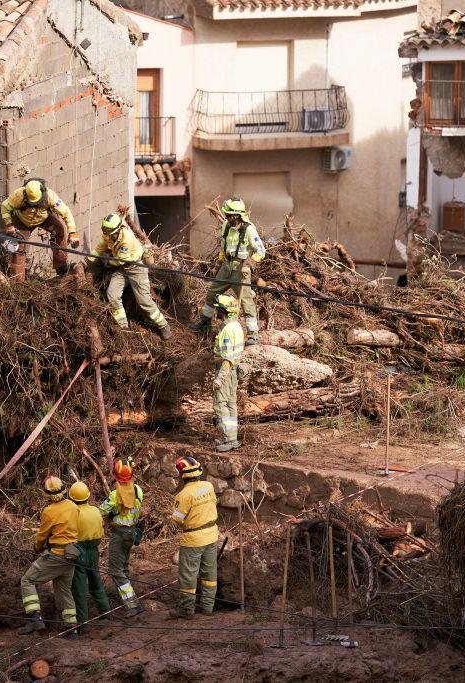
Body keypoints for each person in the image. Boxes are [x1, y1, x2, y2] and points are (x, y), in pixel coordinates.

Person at [191, 197, 265, 345]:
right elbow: (223, 249)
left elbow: (261, 251)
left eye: (229, 214)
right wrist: (218, 265)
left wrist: (249, 263)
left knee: (246, 302)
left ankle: (253, 336)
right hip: (226, 266)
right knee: (212, 293)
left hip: (241, 269)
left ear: (236, 215)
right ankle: (205, 323)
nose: (226, 217)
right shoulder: (226, 226)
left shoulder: (249, 229)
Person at [87, 213, 171, 340]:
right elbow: (99, 250)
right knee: (112, 294)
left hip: (136, 268)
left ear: (118, 229)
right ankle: (123, 327)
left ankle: (164, 326)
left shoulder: (127, 239)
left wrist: (106, 261)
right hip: (123, 269)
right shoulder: (108, 235)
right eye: (106, 233)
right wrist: (87, 261)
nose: (109, 236)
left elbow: (120, 261)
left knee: (144, 302)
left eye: (111, 233)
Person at [17, 476, 81, 636]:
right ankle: (71, 628)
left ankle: (34, 619)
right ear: (64, 490)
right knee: (64, 590)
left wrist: (37, 548)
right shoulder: (73, 506)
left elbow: (42, 536)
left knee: (27, 580)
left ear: (46, 494)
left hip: (56, 556)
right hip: (72, 555)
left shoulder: (49, 511)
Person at [169, 456, 219, 620]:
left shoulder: (183, 495)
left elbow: (177, 519)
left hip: (193, 540)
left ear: (182, 475)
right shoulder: (209, 486)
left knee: (189, 576)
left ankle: (186, 610)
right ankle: (207, 607)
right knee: (209, 574)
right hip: (211, 535)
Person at [1, 178, 80, 280]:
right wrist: (9, 224)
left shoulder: (50, 196)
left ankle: (61, 267)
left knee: (59, 230)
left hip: (44, 218)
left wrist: (72, 231)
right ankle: (18, 280)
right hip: (23, 221)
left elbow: (66, 212)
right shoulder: (18, 195)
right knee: (19, 246)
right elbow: (4, 207)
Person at [99, 456, 144, 617]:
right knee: (123, 567)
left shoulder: (114, 495)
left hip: (119, 535)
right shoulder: (138, 490)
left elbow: (101, 512)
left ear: (116, 477)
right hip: (132, 533)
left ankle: (131, 605)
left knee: (115, 570)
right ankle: (132, 599)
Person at [69, 481, 112, 632]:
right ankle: (106, 612)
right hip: (94, 550)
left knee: (79, 589)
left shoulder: (73, 513)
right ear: (88, 496)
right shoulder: (95, 510)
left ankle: (83, 625)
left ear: (72, 498)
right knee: (96, 581)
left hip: (78, 551)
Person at [212, 293, 244, 452]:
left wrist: (219, 378)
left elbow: (227, 359)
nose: (216, 312)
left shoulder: (226, 330)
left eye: (218, 309)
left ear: (223, 311)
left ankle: (229, 439)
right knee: (231, 404)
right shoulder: (236, 325)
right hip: (235, 370)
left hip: (227, 370)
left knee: (220, 404)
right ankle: (231, 438)